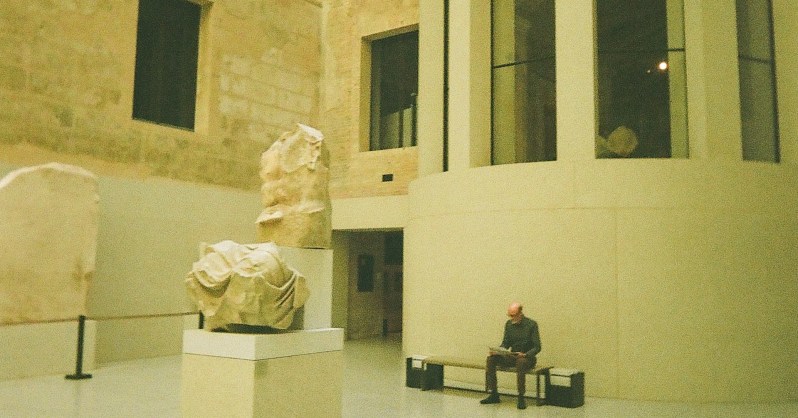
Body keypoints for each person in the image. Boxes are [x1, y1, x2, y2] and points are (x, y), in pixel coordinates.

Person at [479, 302, 541, 410]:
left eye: (514, 315)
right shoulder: (509, 324)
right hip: (513, 355)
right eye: (510, 315)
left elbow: (537, 347)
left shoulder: (531, 324)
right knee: (491, 360)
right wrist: (498, 351)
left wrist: (526, 354)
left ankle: (521, 396)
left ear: (520, 313)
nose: (512, 318)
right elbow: (506, 343)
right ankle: (494, 393)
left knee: (521, 362)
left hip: (527, 358)